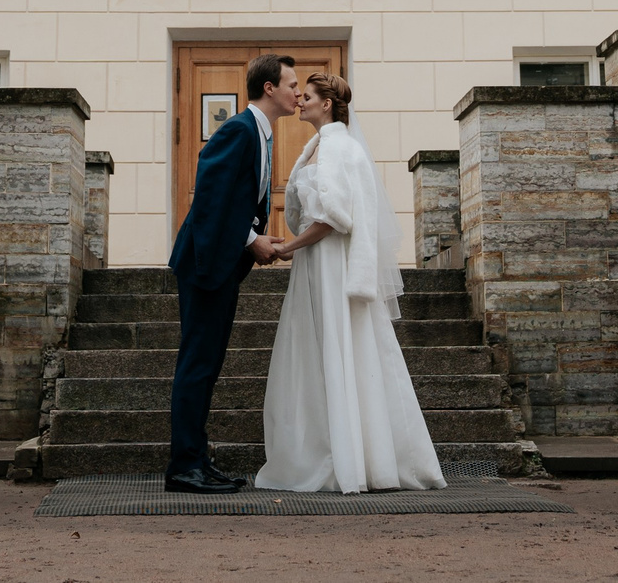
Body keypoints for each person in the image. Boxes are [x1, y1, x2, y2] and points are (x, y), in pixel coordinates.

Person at [256, 71, 446, 494]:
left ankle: (352, 460)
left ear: (326, 104)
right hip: (315, 262)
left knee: (340, 347)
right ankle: (340, 450)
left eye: (306, 96)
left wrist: (286, 249)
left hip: (329, 263)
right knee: (327, 350)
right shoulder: (322, 146)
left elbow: (333, 219)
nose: (299, 102)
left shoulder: (339, 147)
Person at [162, 52, 295, 494]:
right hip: (204, 265)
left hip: (222, 265)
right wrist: (248, 240)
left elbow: (241, 200)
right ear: (270, 88)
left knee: (208, 365)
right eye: (292, 85)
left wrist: (262, 235)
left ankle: (197, 459)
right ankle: (184, 466)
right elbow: (210, 194)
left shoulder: (263, 133)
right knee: (198, 365)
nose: (297, 92)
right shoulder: (239, 129)